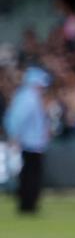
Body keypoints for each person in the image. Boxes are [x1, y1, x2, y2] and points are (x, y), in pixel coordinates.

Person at [4, 67, 52, 215]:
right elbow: (18, 119)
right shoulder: (29, 97)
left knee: (28, 173)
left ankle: (27, 203)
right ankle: (28, 204)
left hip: (32, 142)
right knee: (31, 174)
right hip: (31, 143)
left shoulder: (26, 96)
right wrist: (14, 135)